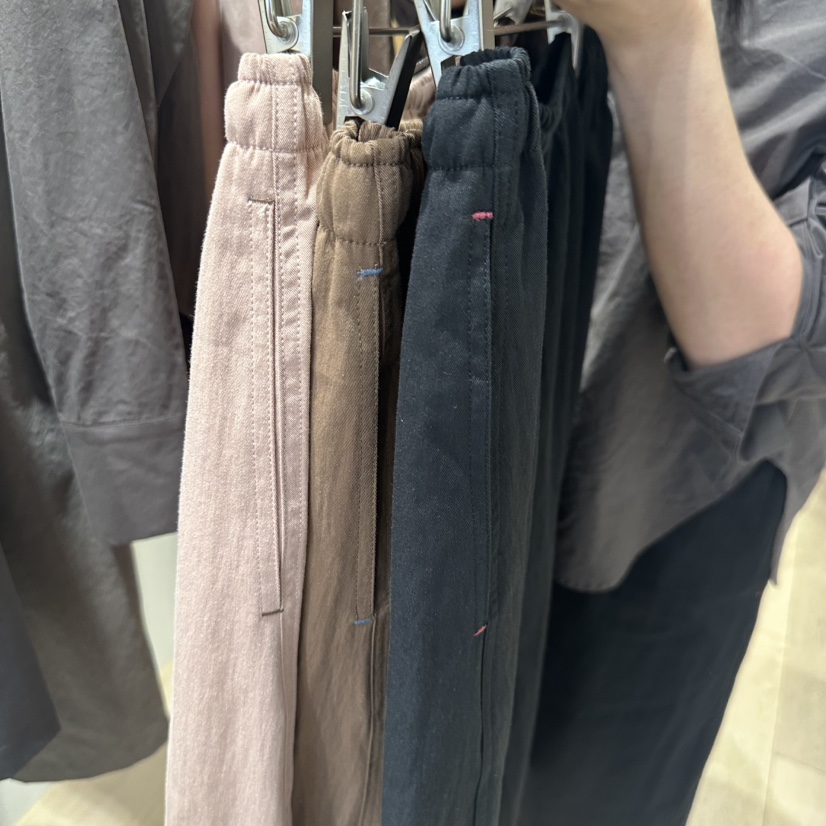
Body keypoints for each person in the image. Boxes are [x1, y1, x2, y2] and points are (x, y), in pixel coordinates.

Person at [517, 0, 826, 823]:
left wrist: (664, 40)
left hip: (669, 498)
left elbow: (772, 332)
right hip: (507, 406)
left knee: (584, 796)